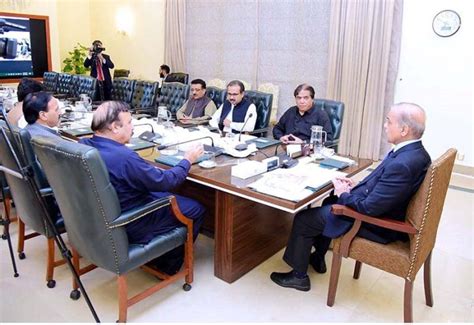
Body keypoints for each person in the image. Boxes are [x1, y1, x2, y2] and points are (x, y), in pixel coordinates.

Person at [270, 102, 431, 291]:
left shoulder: (402, 164)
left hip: (376, 224)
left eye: (389, 122)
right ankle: (318, 258)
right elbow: (384, 184)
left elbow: (369, 208)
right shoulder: (415, 153)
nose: (385, 126)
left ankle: (298, 276)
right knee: (330, 201)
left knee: (304, 219)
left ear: (404, 130)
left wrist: (345, 194)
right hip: (387, 210)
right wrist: (356, 186)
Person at [79, 101, 205, 275]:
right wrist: (187, 160)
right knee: (195, 208)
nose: (133, 127)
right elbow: (167, 181)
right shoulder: (124, 157)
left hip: (103, 214)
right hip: (130, 220)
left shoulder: (84, 144)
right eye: (130, 122)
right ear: (115, 127)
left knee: (164, 193)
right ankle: (166, 265)